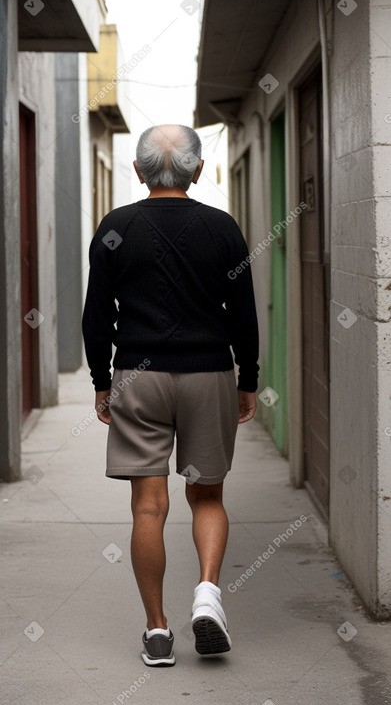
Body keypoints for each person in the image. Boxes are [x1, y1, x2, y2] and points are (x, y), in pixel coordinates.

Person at [82, 124, 259, 667]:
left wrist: (102, 380)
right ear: (197, 170)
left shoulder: (115, 228)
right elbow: (243, 314)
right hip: (208, 373)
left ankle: (158, 632)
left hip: (138, 375)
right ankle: (207, 595)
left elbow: (97, 315)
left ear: (137, 171)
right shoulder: (223, 229)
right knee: (207, 496)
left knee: (148, 506)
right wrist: (246, 378)